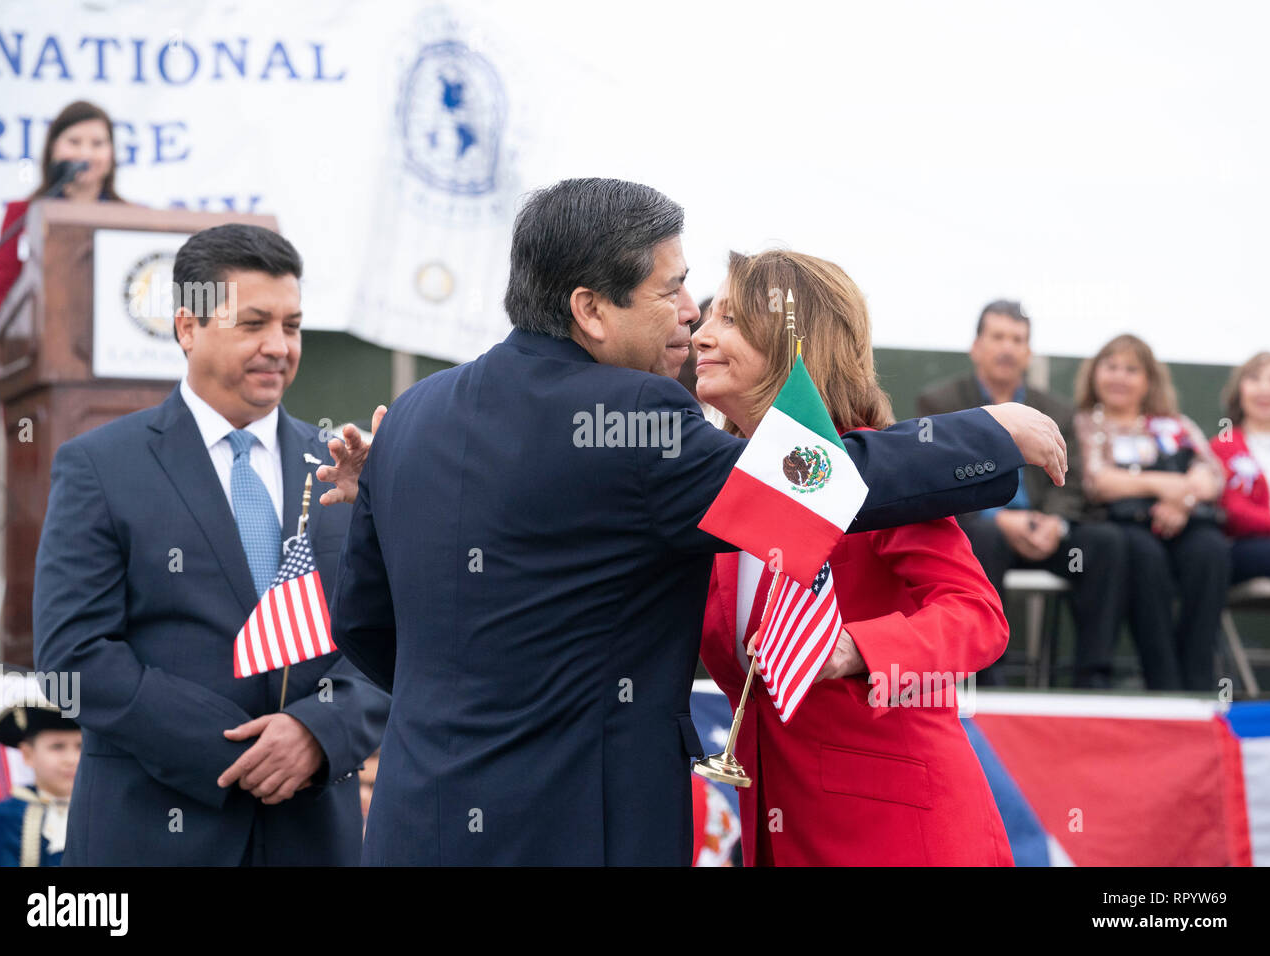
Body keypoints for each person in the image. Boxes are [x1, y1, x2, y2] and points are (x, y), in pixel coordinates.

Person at [324, 177, 1067, 866]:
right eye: (672, 290)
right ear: (590, 309)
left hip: (416, 820)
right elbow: (819, 482)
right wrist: (991, 433)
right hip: (578, 825)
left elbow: (364, 623)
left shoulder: (415, 415)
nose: (690, 314)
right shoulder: (635, 416)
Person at [33, 224, 389, 865]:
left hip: (312, 836)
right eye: (253, 323)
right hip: (149, 834)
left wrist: (316, 732)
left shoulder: (342, 466)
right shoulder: (100, 466)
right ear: (187, 328)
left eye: (293, 325)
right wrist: (239, 752)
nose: (278, 347)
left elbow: (389, 637)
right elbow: (73, 658)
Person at [696, 250, 1013, 865]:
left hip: (899, 832)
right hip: (784, 830)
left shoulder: (873, 472)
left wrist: (855, 650)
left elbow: (979, 617)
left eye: (730, 320)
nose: (702, 335)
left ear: (794, 343)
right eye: (708, 316)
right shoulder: (724, 484)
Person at [917, 301, 1126, 687]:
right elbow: (933, 481)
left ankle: (1092, 679)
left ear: (1029, 352)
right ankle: (985, 677)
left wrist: (1057, 523)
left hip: (1045, 533)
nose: (1007, 348)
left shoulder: (1056, 411)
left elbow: (1074, 479)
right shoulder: (941, 404)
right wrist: (997, 518)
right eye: (997, 337)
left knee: (1105, 543)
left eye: (1017, 340)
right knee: (985, 536)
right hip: (981, 532)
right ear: (975, 346)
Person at [1072, 334, 1229, 691]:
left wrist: (1180, 501)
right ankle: (1164, 681)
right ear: (1095, 372)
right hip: (1123, 524)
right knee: (1145, 556)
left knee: (1211, 552)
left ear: (1148, 380)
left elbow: (1212, 474)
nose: (1119, 377)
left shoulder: (1174, 424)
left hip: (1184, 519)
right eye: (1111, 367)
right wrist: (1163, 485)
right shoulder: (1084, 423)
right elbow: (1097, 481)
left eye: (1131, 369)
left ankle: (1198, 677)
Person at [0, 100, 124, 316]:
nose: (85, 153)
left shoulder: (132, 217)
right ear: (53, 148)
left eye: (97, 144)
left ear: (111, 153)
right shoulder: (22, 214)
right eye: (74, 142)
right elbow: (0, 294)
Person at [0, 703, 80, 867]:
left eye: (81, 747)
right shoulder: (3, 820)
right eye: (57, 747)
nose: (71, 759)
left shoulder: (105, 814)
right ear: (28, 754)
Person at [1211, 351, 1270, 581]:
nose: (1265, 389)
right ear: (1239, 389)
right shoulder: (1224, 444)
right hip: (1245, 547)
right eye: (1254, 379)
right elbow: (1235, 513)